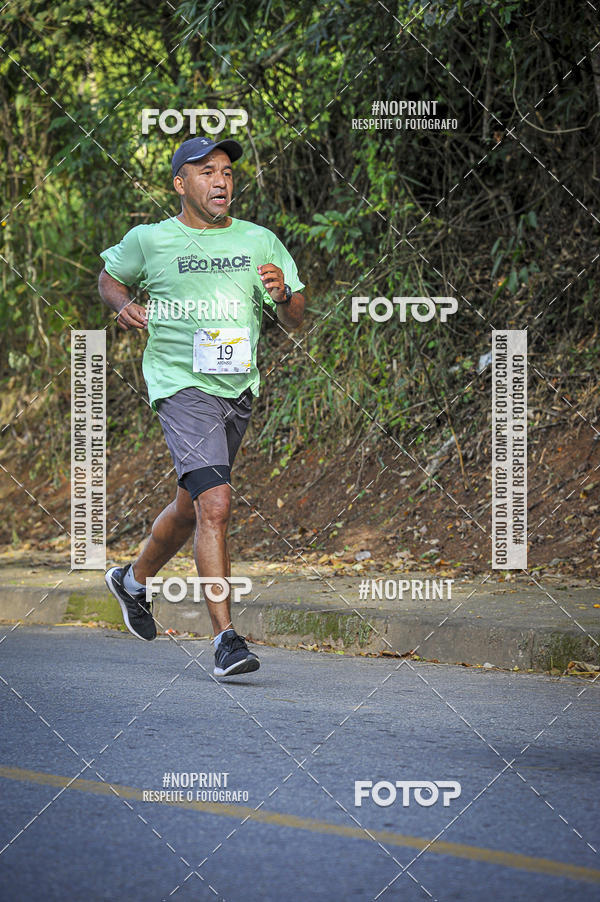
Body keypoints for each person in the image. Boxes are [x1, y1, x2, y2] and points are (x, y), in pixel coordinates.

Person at [98, 135, 305, 676]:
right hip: (179, 386)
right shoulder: (150, 240)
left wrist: (284, 295)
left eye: (228, 173)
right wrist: (123, 306)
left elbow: (298, 315)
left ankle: (132, 579)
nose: (221, 181)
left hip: (237, 389)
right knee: (216, 503)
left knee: (192, 508)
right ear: (180, 184)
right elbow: (110, 278)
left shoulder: (259, 240)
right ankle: (226, 640)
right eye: (207, 171)